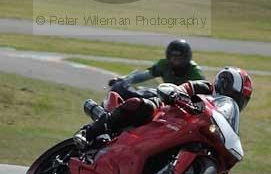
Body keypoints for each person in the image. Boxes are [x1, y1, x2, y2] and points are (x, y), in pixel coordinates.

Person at [74, 43, 252, 147]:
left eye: (240, 99)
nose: (235, 101)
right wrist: (178, 95)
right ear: (223, 84)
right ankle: (89, 132)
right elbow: (184, 88)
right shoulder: (204, 86)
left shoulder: (225, 112)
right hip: (168, 105)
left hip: (185, 126)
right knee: (139, 104)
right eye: (235, 95)